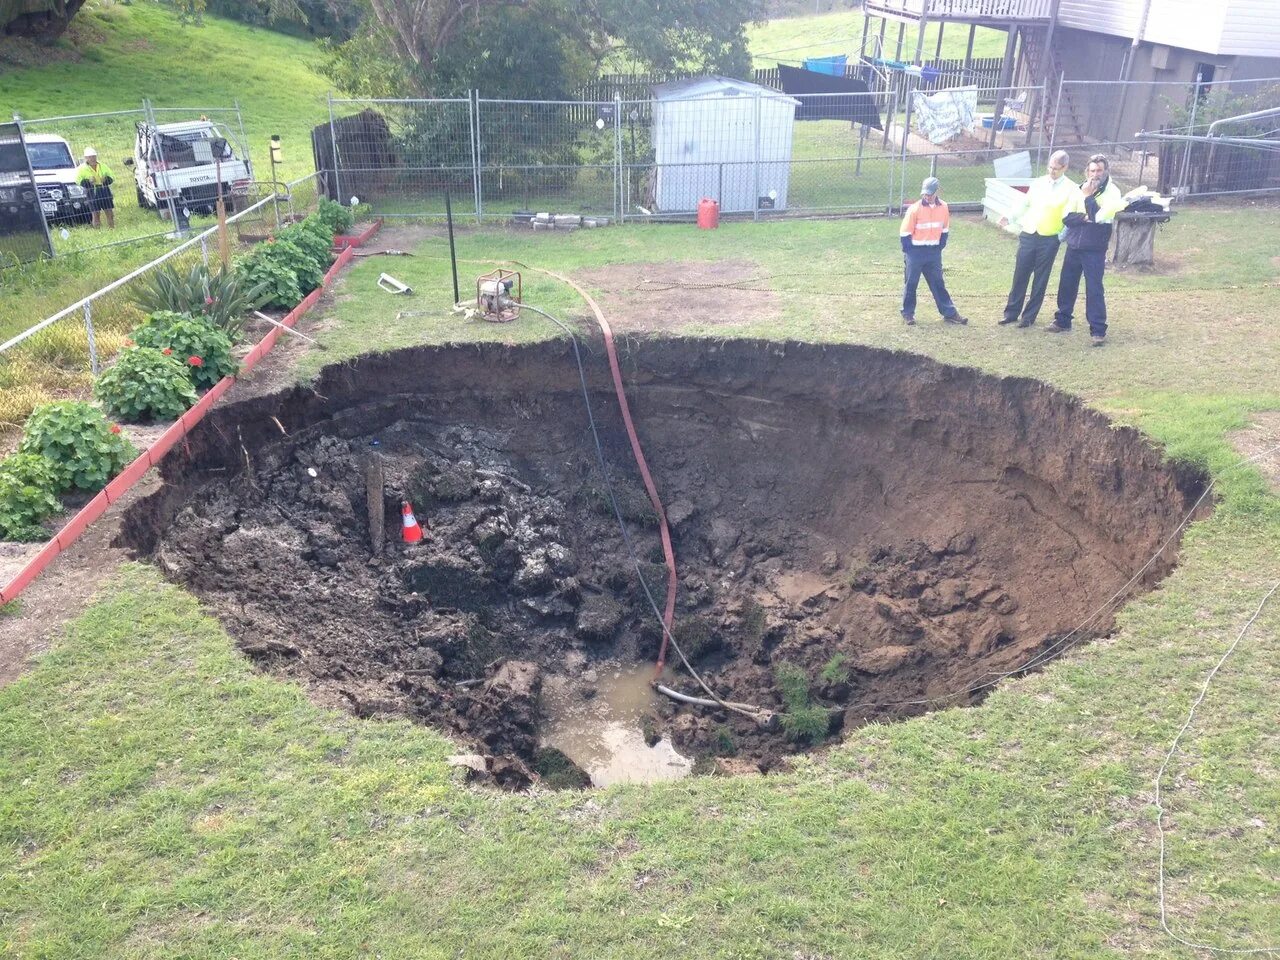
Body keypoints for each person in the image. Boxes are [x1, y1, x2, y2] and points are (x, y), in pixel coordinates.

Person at [1049, 154, 1125, 346]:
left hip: (1094, 248)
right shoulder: (1078, 189)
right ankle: (1063, 321)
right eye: (1092, 170)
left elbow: (1099, 218)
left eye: (1099, 170)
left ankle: (1098, 330)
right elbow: (1067, 217)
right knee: (1067, 284)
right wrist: (1084, 217)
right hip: (1074, 245)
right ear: (1087, 171)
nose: (1095, 175)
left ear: (1106, 171)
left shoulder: (1113, 192)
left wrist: (1088, 198)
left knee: (1094, 289)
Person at [998, 149, 1075, 328]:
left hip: (1049, 238)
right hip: (1029, 233)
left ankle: (1029, 316)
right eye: (1050, 167)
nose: (1052, 171)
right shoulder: (1039, 183)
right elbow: (1025, 203)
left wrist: (1060, 237)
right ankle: (1011, 313)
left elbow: (1071, 215)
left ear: (1065, 168)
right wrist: (1010, 217)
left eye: (1056, 168)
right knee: (1020, 274)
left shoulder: (1070, 188)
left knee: (1040, 279)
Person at [899, 176, 967, 327]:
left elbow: (944, 229)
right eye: (925, 193)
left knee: (938, 283)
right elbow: (904, 234)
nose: (927, 196)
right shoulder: (914, 209)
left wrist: (939, 247)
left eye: (930, 194)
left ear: (936, 192)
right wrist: (910, 252)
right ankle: (908, 313)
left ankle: (949, 313)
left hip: (933, 253)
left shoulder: (944, 207)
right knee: (911, 283)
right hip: (915, 253)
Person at [74, 147, 115, 229]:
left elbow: (112, 176)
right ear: (86, 158)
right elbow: (78, 180)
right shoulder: (82, 169)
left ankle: (112, 229)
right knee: (95, 214)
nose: (92, 158)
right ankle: (98, 231)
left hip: (104, 190)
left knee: (109, 212)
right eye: (90, 157)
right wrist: (88, 182)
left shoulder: (103, 166)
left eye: (93, 156)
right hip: (92, 192)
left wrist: (106, 179)